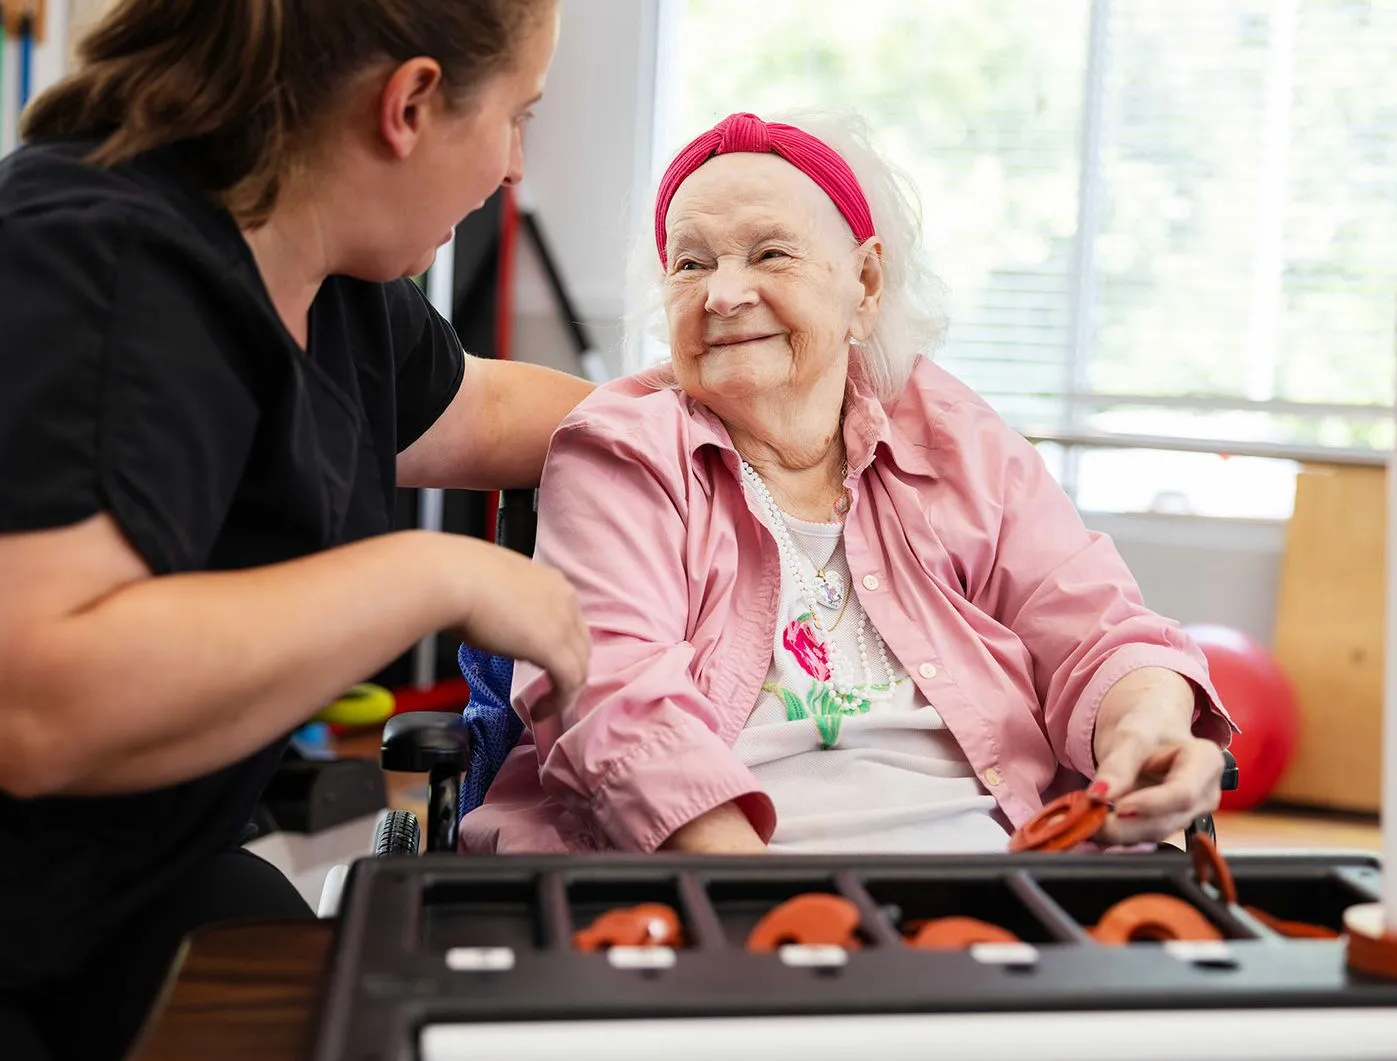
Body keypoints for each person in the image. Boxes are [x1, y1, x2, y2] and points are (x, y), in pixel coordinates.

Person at [0, 1, 592, 1061]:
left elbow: (493, 415)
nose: (512, 166)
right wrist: (426, 574)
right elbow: (28, 703)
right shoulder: (77, 261)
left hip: (138, 865)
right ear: (408, 103)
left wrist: (729, 413)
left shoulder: (340, 280)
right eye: (517, 118)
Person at [461, 109, 1236, 857]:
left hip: (993, 875)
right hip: (712, 882)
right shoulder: (624, 449)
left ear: (865, 283)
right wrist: (755, 897)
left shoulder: (957, 439)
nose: (722, 294)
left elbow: (1099, 631)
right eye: (690, 263)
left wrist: (1152, 725)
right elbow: (609, 694)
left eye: (769, 254)